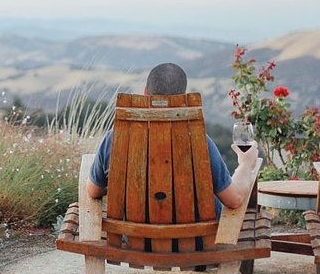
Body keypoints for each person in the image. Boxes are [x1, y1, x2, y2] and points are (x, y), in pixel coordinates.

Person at [86, 62, 259, 213]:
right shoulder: (200, 142)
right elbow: (234, 199)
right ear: (182, 99)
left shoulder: (114, 139)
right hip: (195, 243)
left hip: (131, 241)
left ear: (145, 93)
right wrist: (245, 164)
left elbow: (93, 191)